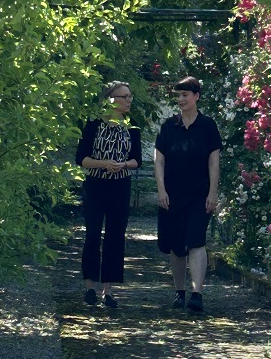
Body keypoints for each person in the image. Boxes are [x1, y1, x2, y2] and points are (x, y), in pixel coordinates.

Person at [154, 76, 222, 312]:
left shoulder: (208, 126)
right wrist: (161, 189)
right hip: (172, 194)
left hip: (199, 193)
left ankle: (197, 294)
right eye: (178, 95)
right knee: (176, 245)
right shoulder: (168, 126)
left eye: (185, 95)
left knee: (196, 240)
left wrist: (213, 193)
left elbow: (214, 161)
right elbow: (158, 160)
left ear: (196, 97)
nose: (181, 99)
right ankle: (179, 291)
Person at [75, 81, 142, 308]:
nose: (129, 100)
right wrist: (103, 163)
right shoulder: (93, 124)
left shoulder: (132, 126)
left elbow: (137, 160)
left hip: (120, 186)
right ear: (111, 99)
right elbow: (81, 158)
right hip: (95, 184)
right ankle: (90, 287)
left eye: (130, 96)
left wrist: (123, 164)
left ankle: (108, 291)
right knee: (93, 234)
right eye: (125, 96)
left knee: (115, 236)